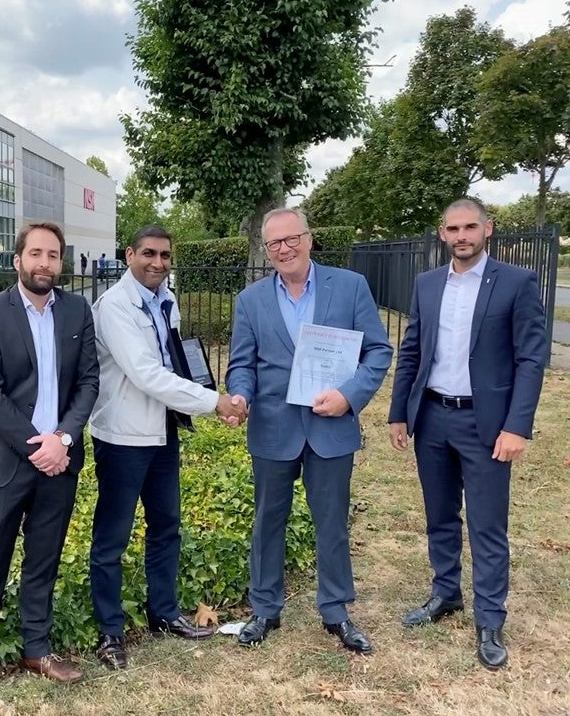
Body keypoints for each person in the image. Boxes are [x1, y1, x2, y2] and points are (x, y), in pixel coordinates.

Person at [388, 198, 547, 670]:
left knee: (486, 524)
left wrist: (517, 426)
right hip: (433, 417)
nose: (462, 236)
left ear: (487, 229)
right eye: (453, 228)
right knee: (439, 515)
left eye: (470, 227)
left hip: (488, 424)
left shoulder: (516, 283)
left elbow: (531, 359)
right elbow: (412, 349)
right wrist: (400, 412)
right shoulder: (427, 284)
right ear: (442, 233)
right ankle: (446, 593)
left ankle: (490, 618)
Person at [225, 208, 392, 654]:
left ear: (309, 238)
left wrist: (349, 395)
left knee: (332, 523)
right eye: (274, 243)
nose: (284, 248)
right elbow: (242, 363)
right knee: (267, 521)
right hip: (273, 429)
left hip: (330, 426)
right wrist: (239, 396)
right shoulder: (251, 299)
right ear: (267, 250)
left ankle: (336, 610)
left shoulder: (350, 286)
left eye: (291, 238)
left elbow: (378, 351)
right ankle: (265, 608)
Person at [88, 225, 248, 670]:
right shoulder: (115, 306)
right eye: (149, 254)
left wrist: (202, 390)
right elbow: (146, 374)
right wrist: (214, 402)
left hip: (162, 431)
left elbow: (173, 360)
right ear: (129, 255)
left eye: (165, 256)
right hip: (122, 437)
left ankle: (163, 612)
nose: (158, 263)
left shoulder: (167, 299)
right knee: (111, 539)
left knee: (166, 526)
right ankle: (110, 632)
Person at [0, 222, 100, 709]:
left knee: (44, 560)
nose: (45, 263)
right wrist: (37, 446)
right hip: (3, 461)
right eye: (35, 253)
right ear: (18, 259)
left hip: (59, 460)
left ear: (62, 262)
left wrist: (62, 439)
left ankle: (37, 651)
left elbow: (88, 384)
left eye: (54, 255)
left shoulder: (78, 310)